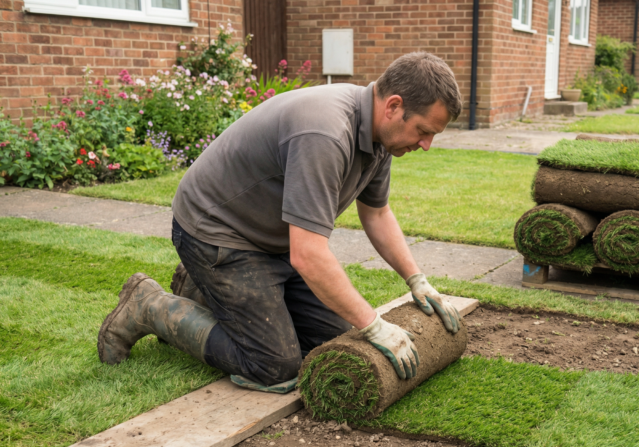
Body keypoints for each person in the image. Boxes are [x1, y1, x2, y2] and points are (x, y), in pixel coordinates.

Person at [98, 52, 463, 390]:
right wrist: (375, 325)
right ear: (393, 106)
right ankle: (149, 305)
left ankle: (199, 288)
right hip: (218, 234)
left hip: (272, 239)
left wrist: (417, 280)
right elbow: (308, 254)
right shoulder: (325, 132)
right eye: (424, 131)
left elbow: (377, 212)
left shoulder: (381, 139)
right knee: (274, 365)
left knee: (334, 341)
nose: (427, 144)